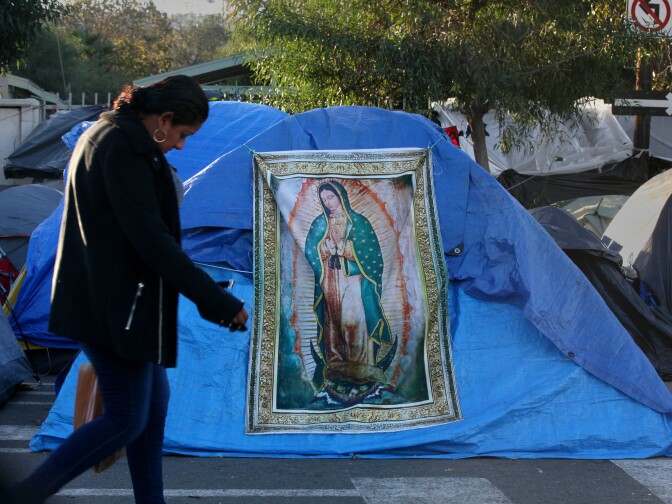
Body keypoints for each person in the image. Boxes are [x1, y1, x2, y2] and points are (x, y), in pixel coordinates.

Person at [7, 75, 248, 504]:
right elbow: (152, 240)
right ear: (164, 119)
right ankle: (25, 495)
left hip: (119, 304)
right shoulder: (121, 148)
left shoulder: (113, 136)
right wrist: (218, 301)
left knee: (150, 413)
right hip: (113, 309)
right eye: (181, 134)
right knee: (124, 418)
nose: (180, 146)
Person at [304, 181, 394, 400]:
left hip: (354, 281)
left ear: (341, 196)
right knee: (333, 323)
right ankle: (336, 364)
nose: (328, 203)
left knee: (354, 321)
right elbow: (310, 251)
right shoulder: (320, 223)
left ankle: (363, 365)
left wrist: (342, 247)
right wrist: (327, 247)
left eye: (331, 198)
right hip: (330, 280)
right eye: (324, 200)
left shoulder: (359, 223)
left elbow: (372, 257)